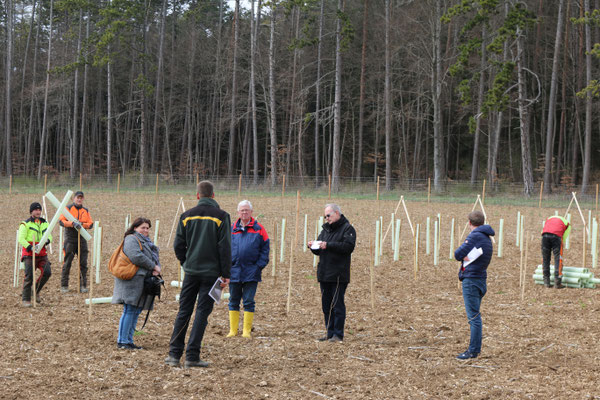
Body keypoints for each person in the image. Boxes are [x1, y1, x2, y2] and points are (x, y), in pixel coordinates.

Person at [165, 181, 231, 368]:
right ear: (213, 195)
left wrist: (186, 262)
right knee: (202, 312)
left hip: (191, 272)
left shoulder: (186, 216)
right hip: (212, 275)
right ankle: (192, 356)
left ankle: (174, 354)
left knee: (184, 311)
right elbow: (225, 247)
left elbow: (178, 245)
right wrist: (226, 274)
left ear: (197, 196)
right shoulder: (222, 216)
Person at [308, 204, 356, 343]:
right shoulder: (325, 230)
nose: (326, 218)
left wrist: (328, 245)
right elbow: (319, 250)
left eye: (328, 215)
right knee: (326, 305)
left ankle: (338, 334)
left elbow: (348, 247)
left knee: (337, 305)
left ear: (336, 213)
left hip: (339, 274)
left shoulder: (348, 229)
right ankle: (329, 333)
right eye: (325, 216)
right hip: (324, 273)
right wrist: (313, 246)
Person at [112, 217, 161, 350]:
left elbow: (150, 256)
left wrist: (155, 269)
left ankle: (129, 340)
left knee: (136, 310)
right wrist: (153, 267)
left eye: (147, 228)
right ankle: (122, 341)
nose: (146, 230)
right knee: (130, 309)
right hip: (131, 281)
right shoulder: (131, 239)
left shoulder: (146, 241)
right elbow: (136, 256)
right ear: (135, 228)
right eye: (143, 227)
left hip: (141, 280)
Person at [454, 210, 494, 360]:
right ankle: (474, 349)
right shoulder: (487, 238)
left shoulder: (475, 236)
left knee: (474, 317)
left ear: (469, 223)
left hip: (471, 281)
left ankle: (473, 351)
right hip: (481, 279)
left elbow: (458, 254)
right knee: (475, 315)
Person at [227, 200, 270, 339]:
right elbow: (224, 248)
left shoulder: (259, 229)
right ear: (238, 212)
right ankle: (233, 330)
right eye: (242, 210)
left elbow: (265, 249)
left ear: (251, 212)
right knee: (233, 300)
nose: (244, 212)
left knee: (248, 301)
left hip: (252, 272)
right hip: (234, 271)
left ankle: (246, 330)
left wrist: (259, 266)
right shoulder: (231, 229)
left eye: (247, 210)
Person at [19, 202, 52, 307]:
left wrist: (47, 241)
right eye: (36, 210)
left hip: (42, 253)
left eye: (39, 210)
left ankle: (36, 290)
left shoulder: (44, 223)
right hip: (29, 253)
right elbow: (21, 239)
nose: (38, 212)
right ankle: (26, 299)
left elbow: (49, 235)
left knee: (47, 272)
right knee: (29, 276)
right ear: (31, 211)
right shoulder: (25, 224)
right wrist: (30, 247)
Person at [59, 191, 93, 293]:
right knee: (67, 262)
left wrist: (82, 224)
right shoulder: (68, 209)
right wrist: (72, 223)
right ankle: (64, 285)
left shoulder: (85, 210)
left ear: (83, 199)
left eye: (81, 198)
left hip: (82, 239)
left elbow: (90, 224)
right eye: (77, 197)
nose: (79, 199)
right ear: (74, 199)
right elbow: (61, 221)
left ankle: (83, 285)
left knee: (83, 263)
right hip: (70, 239)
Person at [541, 215, 571, 289]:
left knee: (545, 258)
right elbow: (563, 238)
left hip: (545, 236)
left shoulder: (549, 218)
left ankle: (546, 282)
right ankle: (557, 282)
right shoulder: (567, 224)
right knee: (558, 258)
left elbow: (543, 230)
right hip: (556, 237)